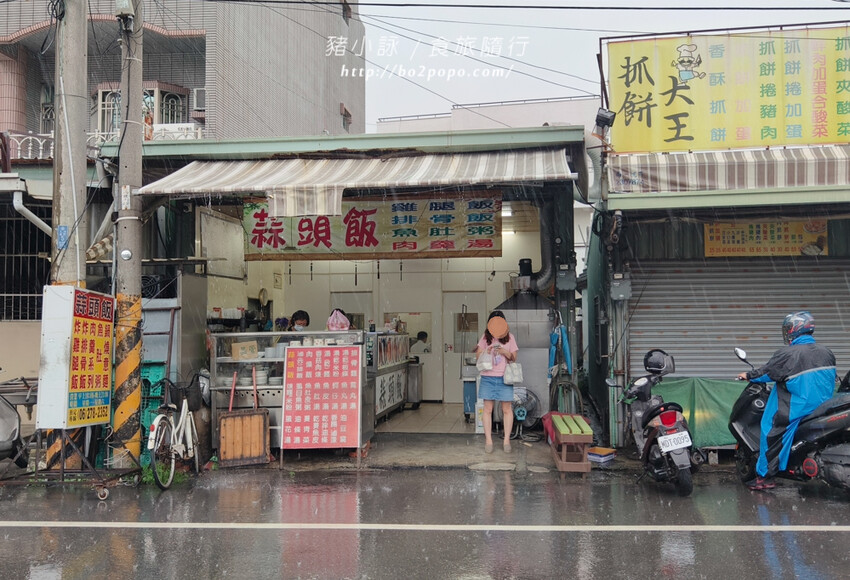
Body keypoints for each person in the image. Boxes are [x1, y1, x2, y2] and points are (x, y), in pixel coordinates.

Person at [736, 311, 836, 490]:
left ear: (795, 329)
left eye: (788, 328)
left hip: (798, 406)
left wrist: (747, 375)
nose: (787, 332)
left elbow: (767, 373)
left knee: (770, 429)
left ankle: (765, 477)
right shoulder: (826, 352)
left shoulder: (788, 353)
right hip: (822, 406)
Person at [474, 310, 519, 454]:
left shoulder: (510, 337)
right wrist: (486, 351)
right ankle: (489, 441)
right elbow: (477, 356)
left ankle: (506, 441)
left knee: (507, 409)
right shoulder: (485, 338)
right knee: (487, 410)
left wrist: (504, 352)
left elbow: (514, 357)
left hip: (505, 378)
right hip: (488, 377)